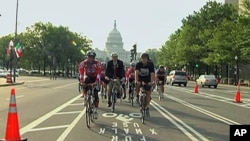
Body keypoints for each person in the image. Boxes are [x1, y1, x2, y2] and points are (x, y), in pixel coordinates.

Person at [78, 50, 102, 119]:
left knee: (96, 96)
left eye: (92, 57)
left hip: (95, 77)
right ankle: (85, 96)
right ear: (87, 57)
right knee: (85, 82)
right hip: (87, 77)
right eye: (89, 57)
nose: (91, 58)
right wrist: (82, 81)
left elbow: (98, 74)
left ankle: (95, 110)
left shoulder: (97, 63)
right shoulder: (83, 63)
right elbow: (81, 73)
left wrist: (96, 82)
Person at [135, 53, 155, 117]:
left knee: (148, 93)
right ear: (141, 59)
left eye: (145, 58)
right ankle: (137, 97)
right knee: (137, 85)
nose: (144, 59)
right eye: (143, 58)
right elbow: (136, 73)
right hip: (140, 79)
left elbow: (152, 74)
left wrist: (151, 82)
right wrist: (136, 80)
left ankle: (147, 108)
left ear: (147, 59)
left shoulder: (150, 65)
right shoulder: (138, 64)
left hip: (147, 80)